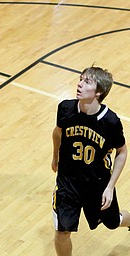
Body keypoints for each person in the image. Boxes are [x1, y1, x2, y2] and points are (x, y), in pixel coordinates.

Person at [51, 66, 130, 256]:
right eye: (80, 79)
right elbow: (58, 132)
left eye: (87, 82)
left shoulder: (110, 121)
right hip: (67, 181)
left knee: (112, 223)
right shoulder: (66, 108)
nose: (79, 84)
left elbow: (122, 152)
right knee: (62, 232)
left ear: (99, 92)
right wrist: (55, 156)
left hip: (98, 184)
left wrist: (110, 187)